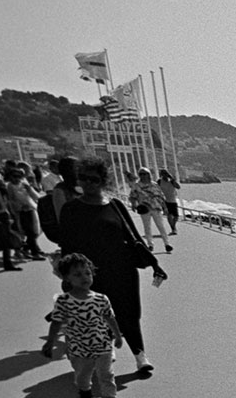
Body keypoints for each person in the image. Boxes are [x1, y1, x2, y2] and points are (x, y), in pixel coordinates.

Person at [58, 158, 167, 378]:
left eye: (94, 179)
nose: (89, 183)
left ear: (103, 181)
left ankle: (140, 356)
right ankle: (105, 351)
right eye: (84, 178)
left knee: (130, 314)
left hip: (122, 269)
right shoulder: (71, 209)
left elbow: (133, 237)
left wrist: (154, 263)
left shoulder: (115, 205)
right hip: (90, 274)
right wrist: (68, 276)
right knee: (97, 315)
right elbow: (67, 245)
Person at [42, 251, 126, 398]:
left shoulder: (101, 298)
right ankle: (85, 390)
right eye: (77, 274)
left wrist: (117, 336)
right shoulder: (64, 301)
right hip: (78, 348)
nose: (84, 277)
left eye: (87, 273)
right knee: (82, 375)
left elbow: (110, 317)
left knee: (107, 375)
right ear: (67, 278)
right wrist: (50, 342)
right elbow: (56, 322)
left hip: (102, 345)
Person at [3, 159, 45, 259]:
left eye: (19, 176)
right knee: (28, 232)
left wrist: (30, 189)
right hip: (20, 211)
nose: (17, 179)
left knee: (35, 231)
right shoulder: (9, 186)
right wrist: (19, 207)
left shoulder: (24, 184)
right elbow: (10, 200)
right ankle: (34, 252)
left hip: (31, 208)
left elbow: (35, 195)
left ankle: (26, 249)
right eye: (14, 176)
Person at [128, 169, 173, 252]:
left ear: (148, 174)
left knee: (161, 226)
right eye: (141, 174)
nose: (143, 176)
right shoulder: (137, 185)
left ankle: (167, 244)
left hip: (156, 207)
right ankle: (150, 244)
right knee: (147, 227)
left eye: (145, 174)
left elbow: (161, 196)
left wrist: (165, 207)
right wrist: (134, 204)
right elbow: (132, 196)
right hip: (144, 208)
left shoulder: (154, 184)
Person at [157, 169, 181, 237]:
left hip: (173, 200)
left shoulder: (171, 181)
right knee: (169, 214)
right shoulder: (159, 181)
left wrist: (173, 180)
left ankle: (173, 226)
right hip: (164, 200)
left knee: (176, 216)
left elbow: (178, 187)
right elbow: (156, 189)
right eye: (163, 174)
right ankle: (173, 229)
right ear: (161, 175)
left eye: (166, 173)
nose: (165, 175)